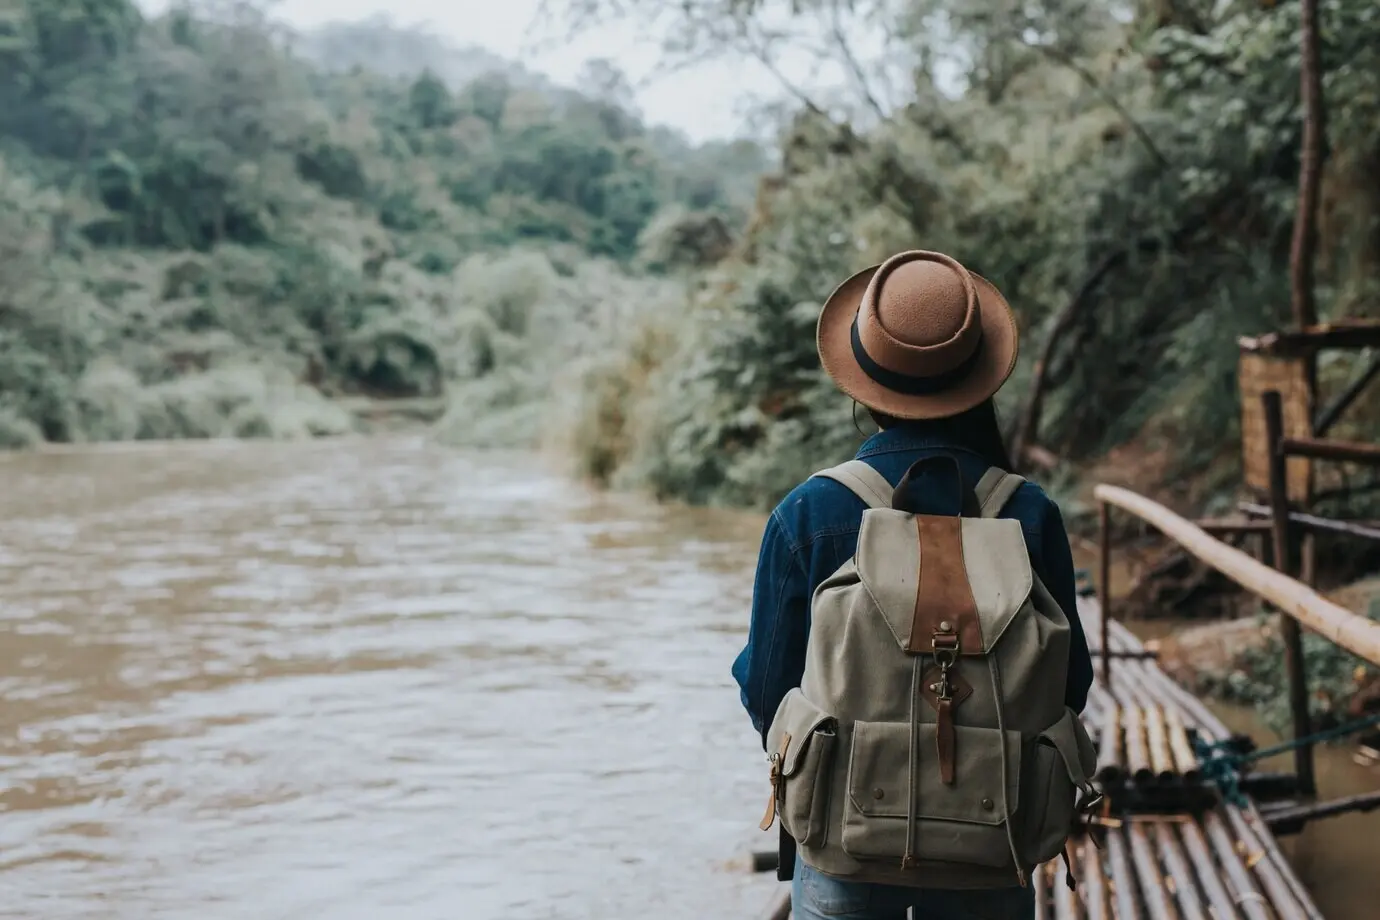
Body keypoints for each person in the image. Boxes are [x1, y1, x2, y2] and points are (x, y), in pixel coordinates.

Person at [731, 250, 1094, 920]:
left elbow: (766, 689)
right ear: (979, 380)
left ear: (863, 385)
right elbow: (1070, 686)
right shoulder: (1029, 514)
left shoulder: (808, 514)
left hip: (843, 850)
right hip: (994, 848)